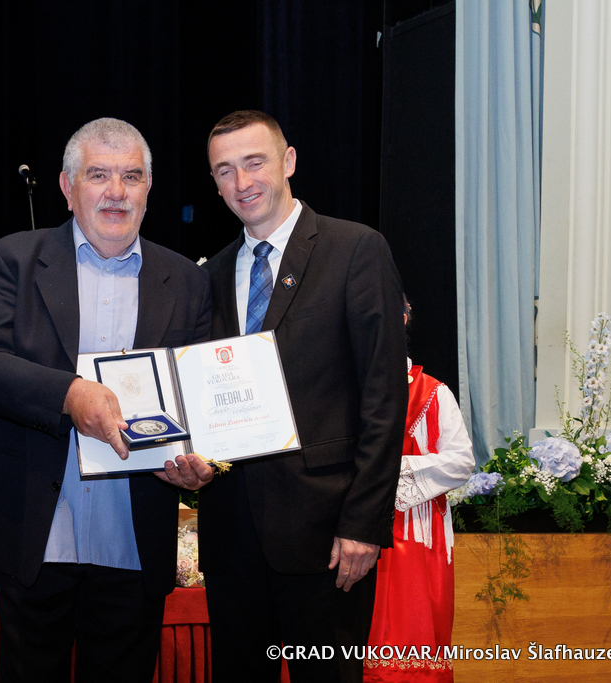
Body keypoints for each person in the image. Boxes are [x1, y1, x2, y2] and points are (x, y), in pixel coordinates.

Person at [0, 117, 214, 683]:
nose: (116, 192)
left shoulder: (187, 280)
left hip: (134, 541)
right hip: (36, 536)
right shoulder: (14, 259)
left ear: (149, 187)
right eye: (98, 175)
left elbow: (195, 401)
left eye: (131, 176)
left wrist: (199, 461)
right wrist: (70, 394)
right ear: (66, 186)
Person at [198, 110, 408, 682]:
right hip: (231, 538)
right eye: (225, 170)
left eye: (255, 162)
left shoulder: (356, 249)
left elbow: (385, 398)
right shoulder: (208, 276)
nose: (242, 182)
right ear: (214, 183)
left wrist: (364, 523)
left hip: (328, 538)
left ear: (288, 161)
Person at [363, 300, 474, 681]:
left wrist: (386, 471)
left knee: (410, 644)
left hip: (415, 531)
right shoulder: (346, 389)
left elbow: (461, 461)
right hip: (351, 528)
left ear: (404, 318)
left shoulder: (433, 392)